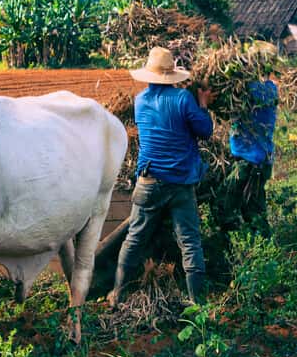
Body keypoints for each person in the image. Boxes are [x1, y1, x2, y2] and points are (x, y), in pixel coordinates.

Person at [108, 46, 215, 307]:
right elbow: (205, 131)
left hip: (149, 181)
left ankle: (118, 294)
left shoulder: (140, 101)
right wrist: (202, 105)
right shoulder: (183, 99)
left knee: (134, 238)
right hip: (180, 184)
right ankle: (198, 303)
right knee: (189, 241)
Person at [217, 72, 278, 237]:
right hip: (255, 159)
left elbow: (221, 101)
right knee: (251, 208)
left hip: (251, 162)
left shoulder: (251, 90)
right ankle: (255, 248)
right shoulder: (269, 88)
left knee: (228, 204)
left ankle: (245, 249)